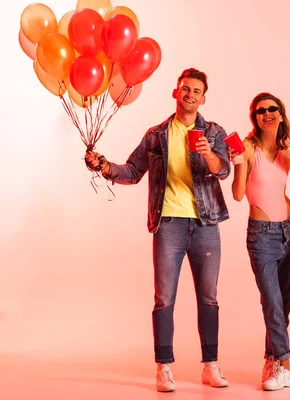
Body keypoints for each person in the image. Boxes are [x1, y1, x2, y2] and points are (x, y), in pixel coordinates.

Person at [84, 68, 231, 392]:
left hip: (206, 225)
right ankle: (163, 368)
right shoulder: (157, 134)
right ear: (176, 93)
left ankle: (211, 365)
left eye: (196, 91)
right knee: (164, 298)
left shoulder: (215, 132)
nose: (190, 94)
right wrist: (105, 166)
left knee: (209, 298)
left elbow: (225, 171)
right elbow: (133, 170)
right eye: (185, 89)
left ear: (203, 97)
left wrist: (209, 155)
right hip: (169, 225)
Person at [229, 93, 290, 391]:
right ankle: (285, 364)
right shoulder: (247, 148)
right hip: (261, 235)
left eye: (272, 109)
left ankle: (270, 359)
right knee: (271, 301)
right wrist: (237, 163)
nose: (266, 114)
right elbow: (238, 194)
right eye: (260, 111)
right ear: (255, 118)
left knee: (282, 305)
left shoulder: (287, 154)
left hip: (288, 232)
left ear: (281, 115)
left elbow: (275, 190)